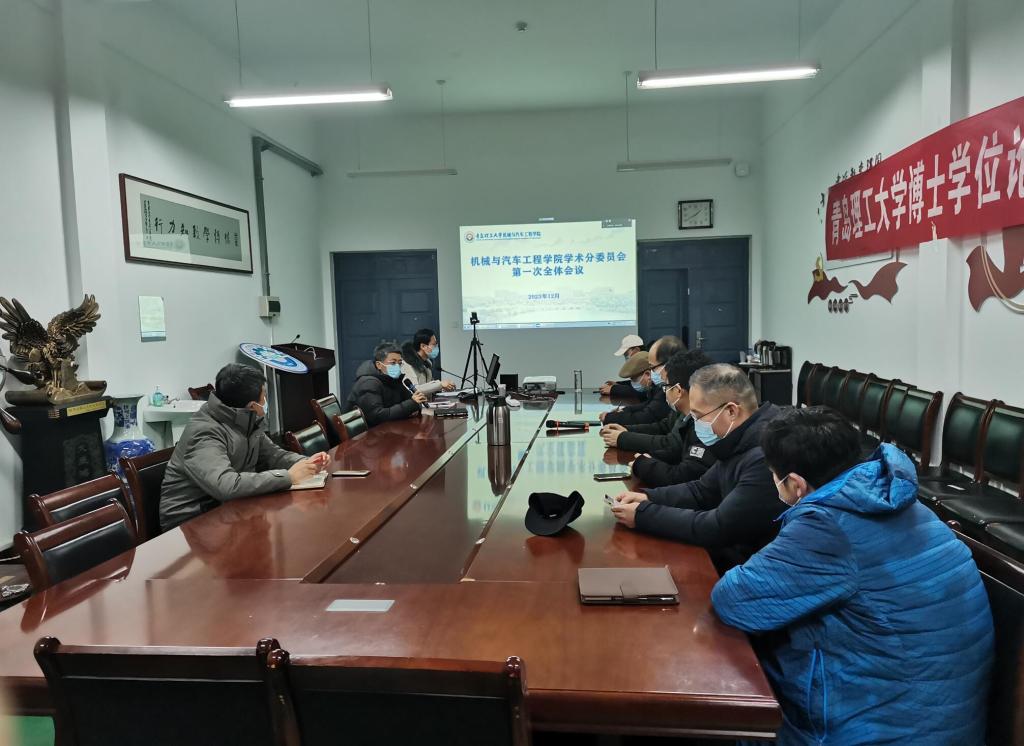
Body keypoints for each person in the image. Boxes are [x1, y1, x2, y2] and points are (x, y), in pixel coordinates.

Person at [712, 407, 994, 745]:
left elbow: (735, 602)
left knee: (725, 702)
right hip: (942, 718)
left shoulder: (827, 525)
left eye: (774, 475)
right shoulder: (896, 497)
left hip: (888, 729)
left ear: (796, 484)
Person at [611, 363, 783, 570]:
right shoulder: (738, 438)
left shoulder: (765, 456)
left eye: (698, 416)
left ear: (731, 411)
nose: (695, 423)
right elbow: (701, 490)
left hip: (752, 568)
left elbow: (717, 527)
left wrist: (643, 515)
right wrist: (648, 497)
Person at [160, 364, 328, 532]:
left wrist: (308, 463)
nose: (266, 401)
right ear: (252, 405)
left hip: (230, 508)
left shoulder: (246, 420)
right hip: (191, 522)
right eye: (264, 397)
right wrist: (288, 477)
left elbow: (273, 455)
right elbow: (226, 485)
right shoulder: (204, 432)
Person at [601, 350, 716, 487]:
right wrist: (628, 433)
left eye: (665, 386)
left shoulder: (705, 423)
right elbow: (667, 434)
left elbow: (682, 472)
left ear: (678, 391)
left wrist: (642, 462)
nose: (663, 391)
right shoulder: (684, 411)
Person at [601, 335, 683, 426]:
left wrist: (612, 418)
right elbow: (648, 405)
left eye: (653, 368)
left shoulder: (668, 387)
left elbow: (648, 416)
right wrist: (624, 411)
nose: (651, 373)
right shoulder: (662, 386)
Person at [346, 342, 427, 427]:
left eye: (400, 363)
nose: (397, 366)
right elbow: (377, 416)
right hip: (367, 433)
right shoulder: (368, 383)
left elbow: (408, 400)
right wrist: (412, 403)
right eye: (393, 363)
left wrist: (415, 403)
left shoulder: (394, 379)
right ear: (378, 365)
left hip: (388, 428)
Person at [400, 328, 455, 396]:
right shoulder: (407, 364)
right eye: (434, 344)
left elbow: (429, 387)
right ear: (423, 346)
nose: (437, 347)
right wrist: (440, 384)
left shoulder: (426, 363)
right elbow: (415, 390)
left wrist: (443, 387)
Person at [599, 333, 645, 398]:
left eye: (626, 354)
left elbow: (643, 392)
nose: (626, 358)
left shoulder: (649, 364)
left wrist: (614, 389)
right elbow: (637, 384)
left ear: (637, 350)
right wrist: (618, 384)